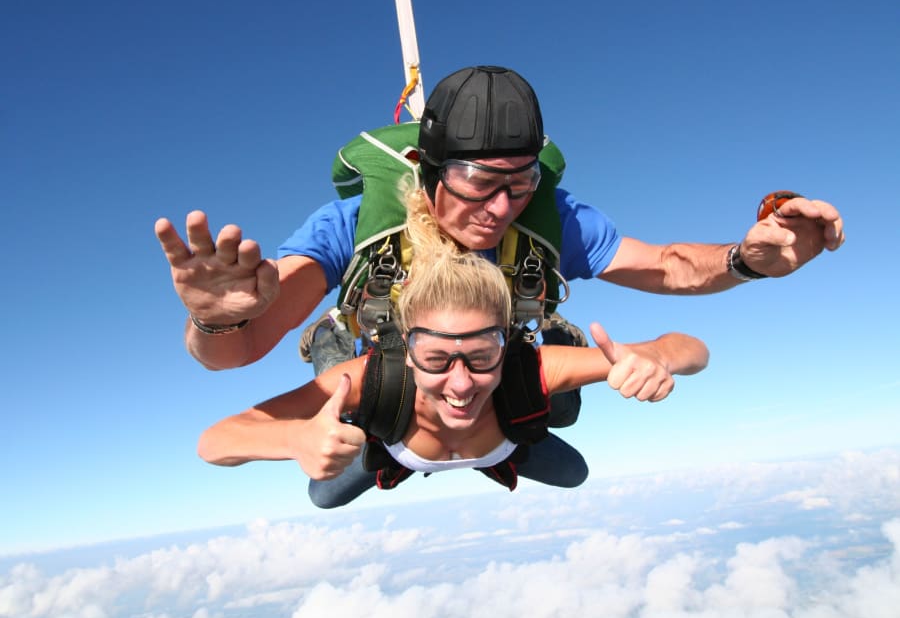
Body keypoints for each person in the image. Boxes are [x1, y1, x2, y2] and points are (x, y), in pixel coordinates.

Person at [155, 65, 844, 412]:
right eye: (478, 181)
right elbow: (239, 350)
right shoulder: (351, 227)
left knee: (549, 409)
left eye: (520, 183)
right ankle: (336, 345)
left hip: (486, 363)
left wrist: (745, 261)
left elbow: (668, 267)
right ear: (428, 171)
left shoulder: (548, 217)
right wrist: (214, 320)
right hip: (397, 363)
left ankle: (516, 412)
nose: (501, 207)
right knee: (368, 418)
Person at [197, 202, 709, 507]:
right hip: (391, 437)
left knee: (572, 462)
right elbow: (214, 441)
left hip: (495, 440)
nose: (460, 383)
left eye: (482, 355)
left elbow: (691, 349)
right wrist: (295, 438)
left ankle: (550, 336)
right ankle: (331, 332)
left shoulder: (527, 368)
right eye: (437, 358)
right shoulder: (373, 375)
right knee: (323, 489)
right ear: (406, 350)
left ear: (505, 344)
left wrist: (658, 361)